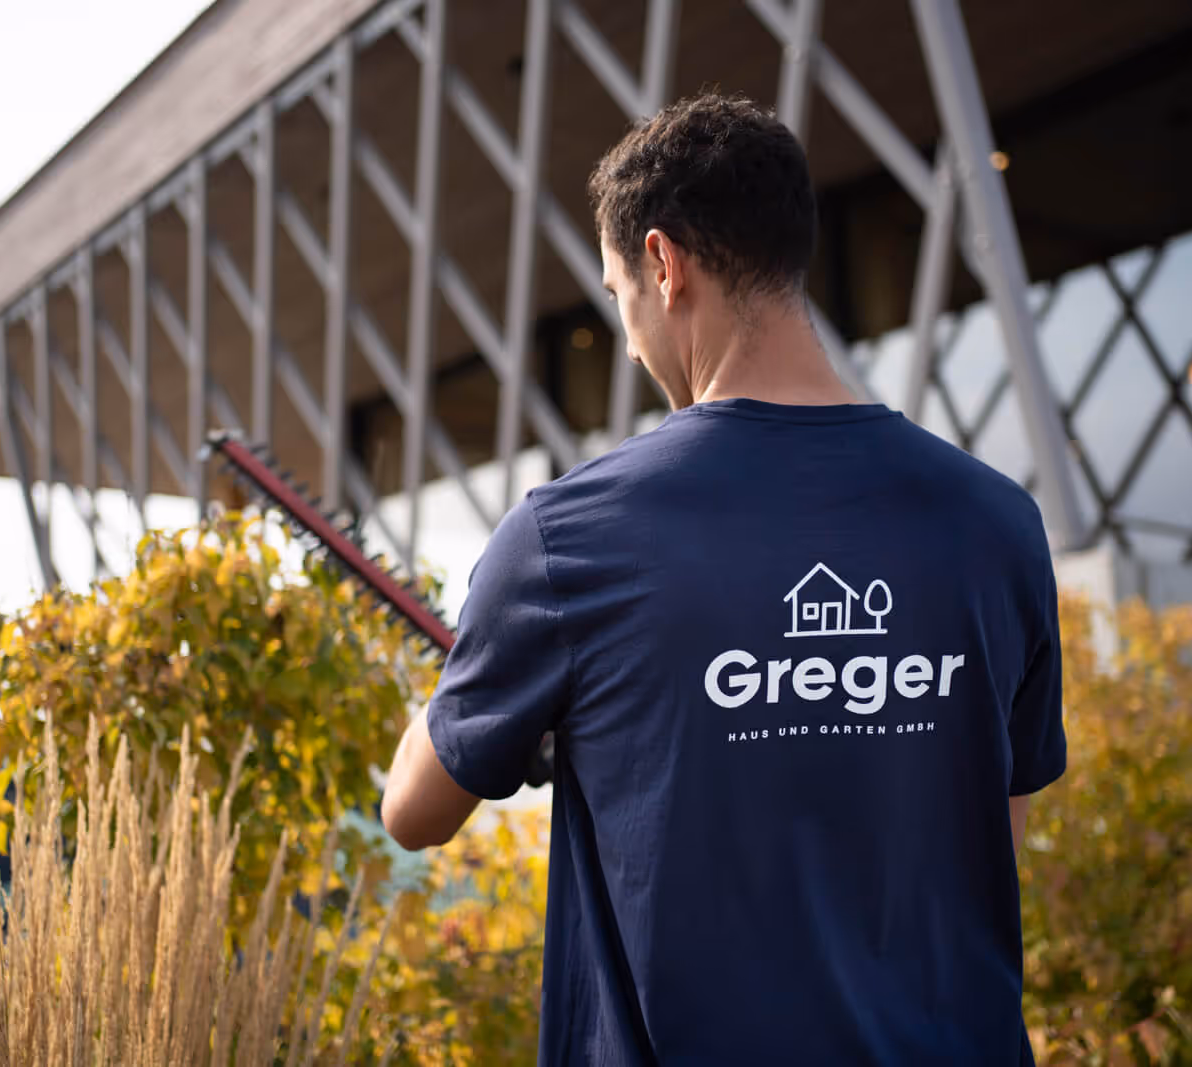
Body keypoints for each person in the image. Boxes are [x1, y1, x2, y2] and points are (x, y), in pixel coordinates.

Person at [381, 92, 1065, 1066]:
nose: (626, 338)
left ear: (663, 265)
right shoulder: (997, 521)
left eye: (619, 296)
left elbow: (412, 811)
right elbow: (992, 824)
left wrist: (477, 696)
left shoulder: (570, 538)